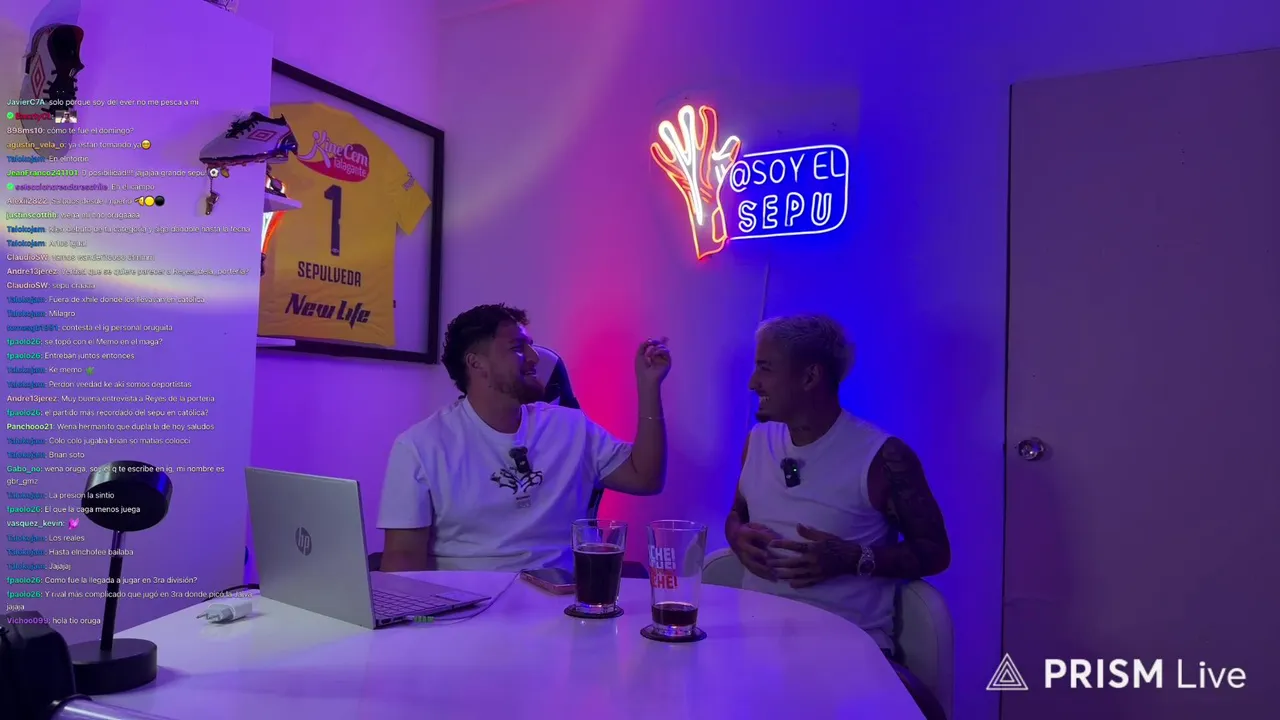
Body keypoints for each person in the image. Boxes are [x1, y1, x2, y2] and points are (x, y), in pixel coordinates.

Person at [726, 314, 950, 715]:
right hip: (753, 650)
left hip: (848, 655)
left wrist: (853, 558)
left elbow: (935, 551)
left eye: (765, 368)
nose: (752, 383)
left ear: (810, 376)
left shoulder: (882, 457)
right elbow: (737, 514)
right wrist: (737, 537)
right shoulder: (757, 441)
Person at [377, 303, 670, 572]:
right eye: (518, 348)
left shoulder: (570, 427)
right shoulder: (420, 447)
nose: (534, 357)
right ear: (476, 364)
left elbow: (645, 478)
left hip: (566, 598)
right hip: (471, 604)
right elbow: (403, 559)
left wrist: (649, 386)